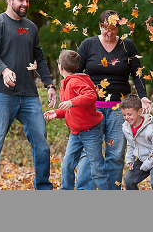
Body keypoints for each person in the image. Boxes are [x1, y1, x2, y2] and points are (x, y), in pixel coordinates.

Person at [0, 0, 57, 190]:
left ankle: (43, 186)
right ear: (9, 0)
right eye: (21, 0)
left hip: (29, 94)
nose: (25, 4)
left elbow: (38, 56)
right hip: (3, 94)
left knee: (41, 143)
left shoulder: (31, 26)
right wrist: (4, 70)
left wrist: (49, 84)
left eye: (27, 0)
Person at [74, 10, 152, 190]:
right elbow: (77, 74)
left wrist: (143, 96)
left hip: (119, 109)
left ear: (119, 27)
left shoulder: (127, 46)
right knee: (88, 153)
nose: (109, 33)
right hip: (91, 108)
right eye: (105, 28)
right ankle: (84, 190)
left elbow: (137, 74)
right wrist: (74, 100)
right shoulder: (88, 45)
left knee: (115, 154)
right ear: (100, 26)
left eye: (113, 29)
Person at [44, 50, 107, 190]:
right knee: (66, 165)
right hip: (75, 133)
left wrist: (72, 102)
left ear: (60, 67)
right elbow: (70, 109)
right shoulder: (65, 83)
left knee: (97, 167)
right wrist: (57, 113)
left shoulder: (75, 82)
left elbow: (91, 96)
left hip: (91, 131)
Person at [120, 94, 153, 190]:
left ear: (140, 111)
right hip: (144, 157)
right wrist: (129, 159)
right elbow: (131, 144)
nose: (127, 117)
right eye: (124, 115)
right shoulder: (126, 127)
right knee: (128, 180)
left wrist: (147, 164)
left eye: (130, 114)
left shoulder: (151, 128)